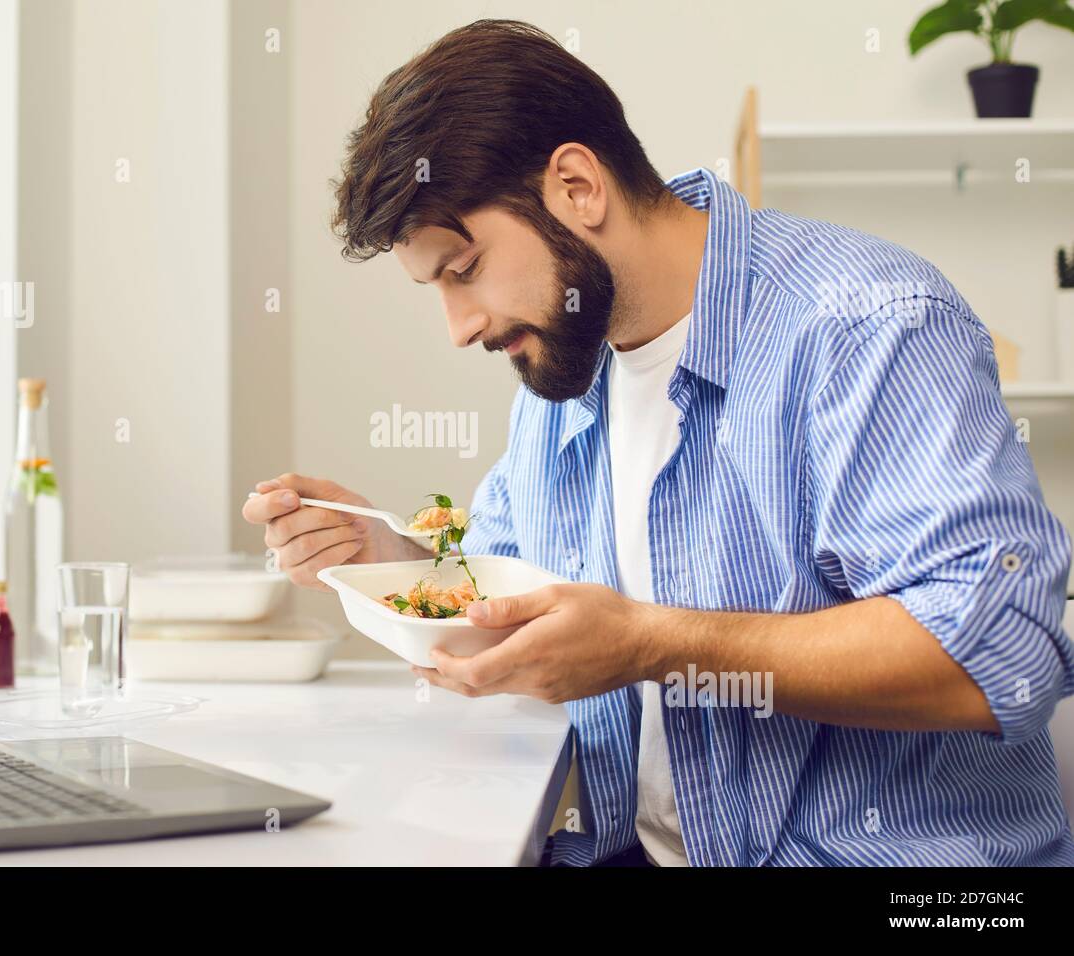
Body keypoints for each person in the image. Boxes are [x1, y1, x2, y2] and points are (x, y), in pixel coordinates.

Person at [242, 19, 1074, 867]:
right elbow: (514, 596)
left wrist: (653, 643)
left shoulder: (866, 326)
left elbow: (999, 651)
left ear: (575, 186)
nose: (460, 328)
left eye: (463, 270)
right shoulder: (563, 370)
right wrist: (385, 558)